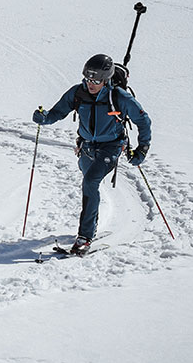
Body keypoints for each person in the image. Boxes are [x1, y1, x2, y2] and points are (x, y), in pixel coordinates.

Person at [32, 54, 152, 254]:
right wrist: (43, 119)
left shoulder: (119, 97)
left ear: (105, 80)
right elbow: (57, 112)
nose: (91, 84)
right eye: (88, 78)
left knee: (90, 182)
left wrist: (142, 148)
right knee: (89, 184)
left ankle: (84, 237)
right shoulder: (78, 93)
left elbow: (144, 121)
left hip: (111, 147)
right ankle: (92, 225)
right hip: (86, 147)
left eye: (96, 80)